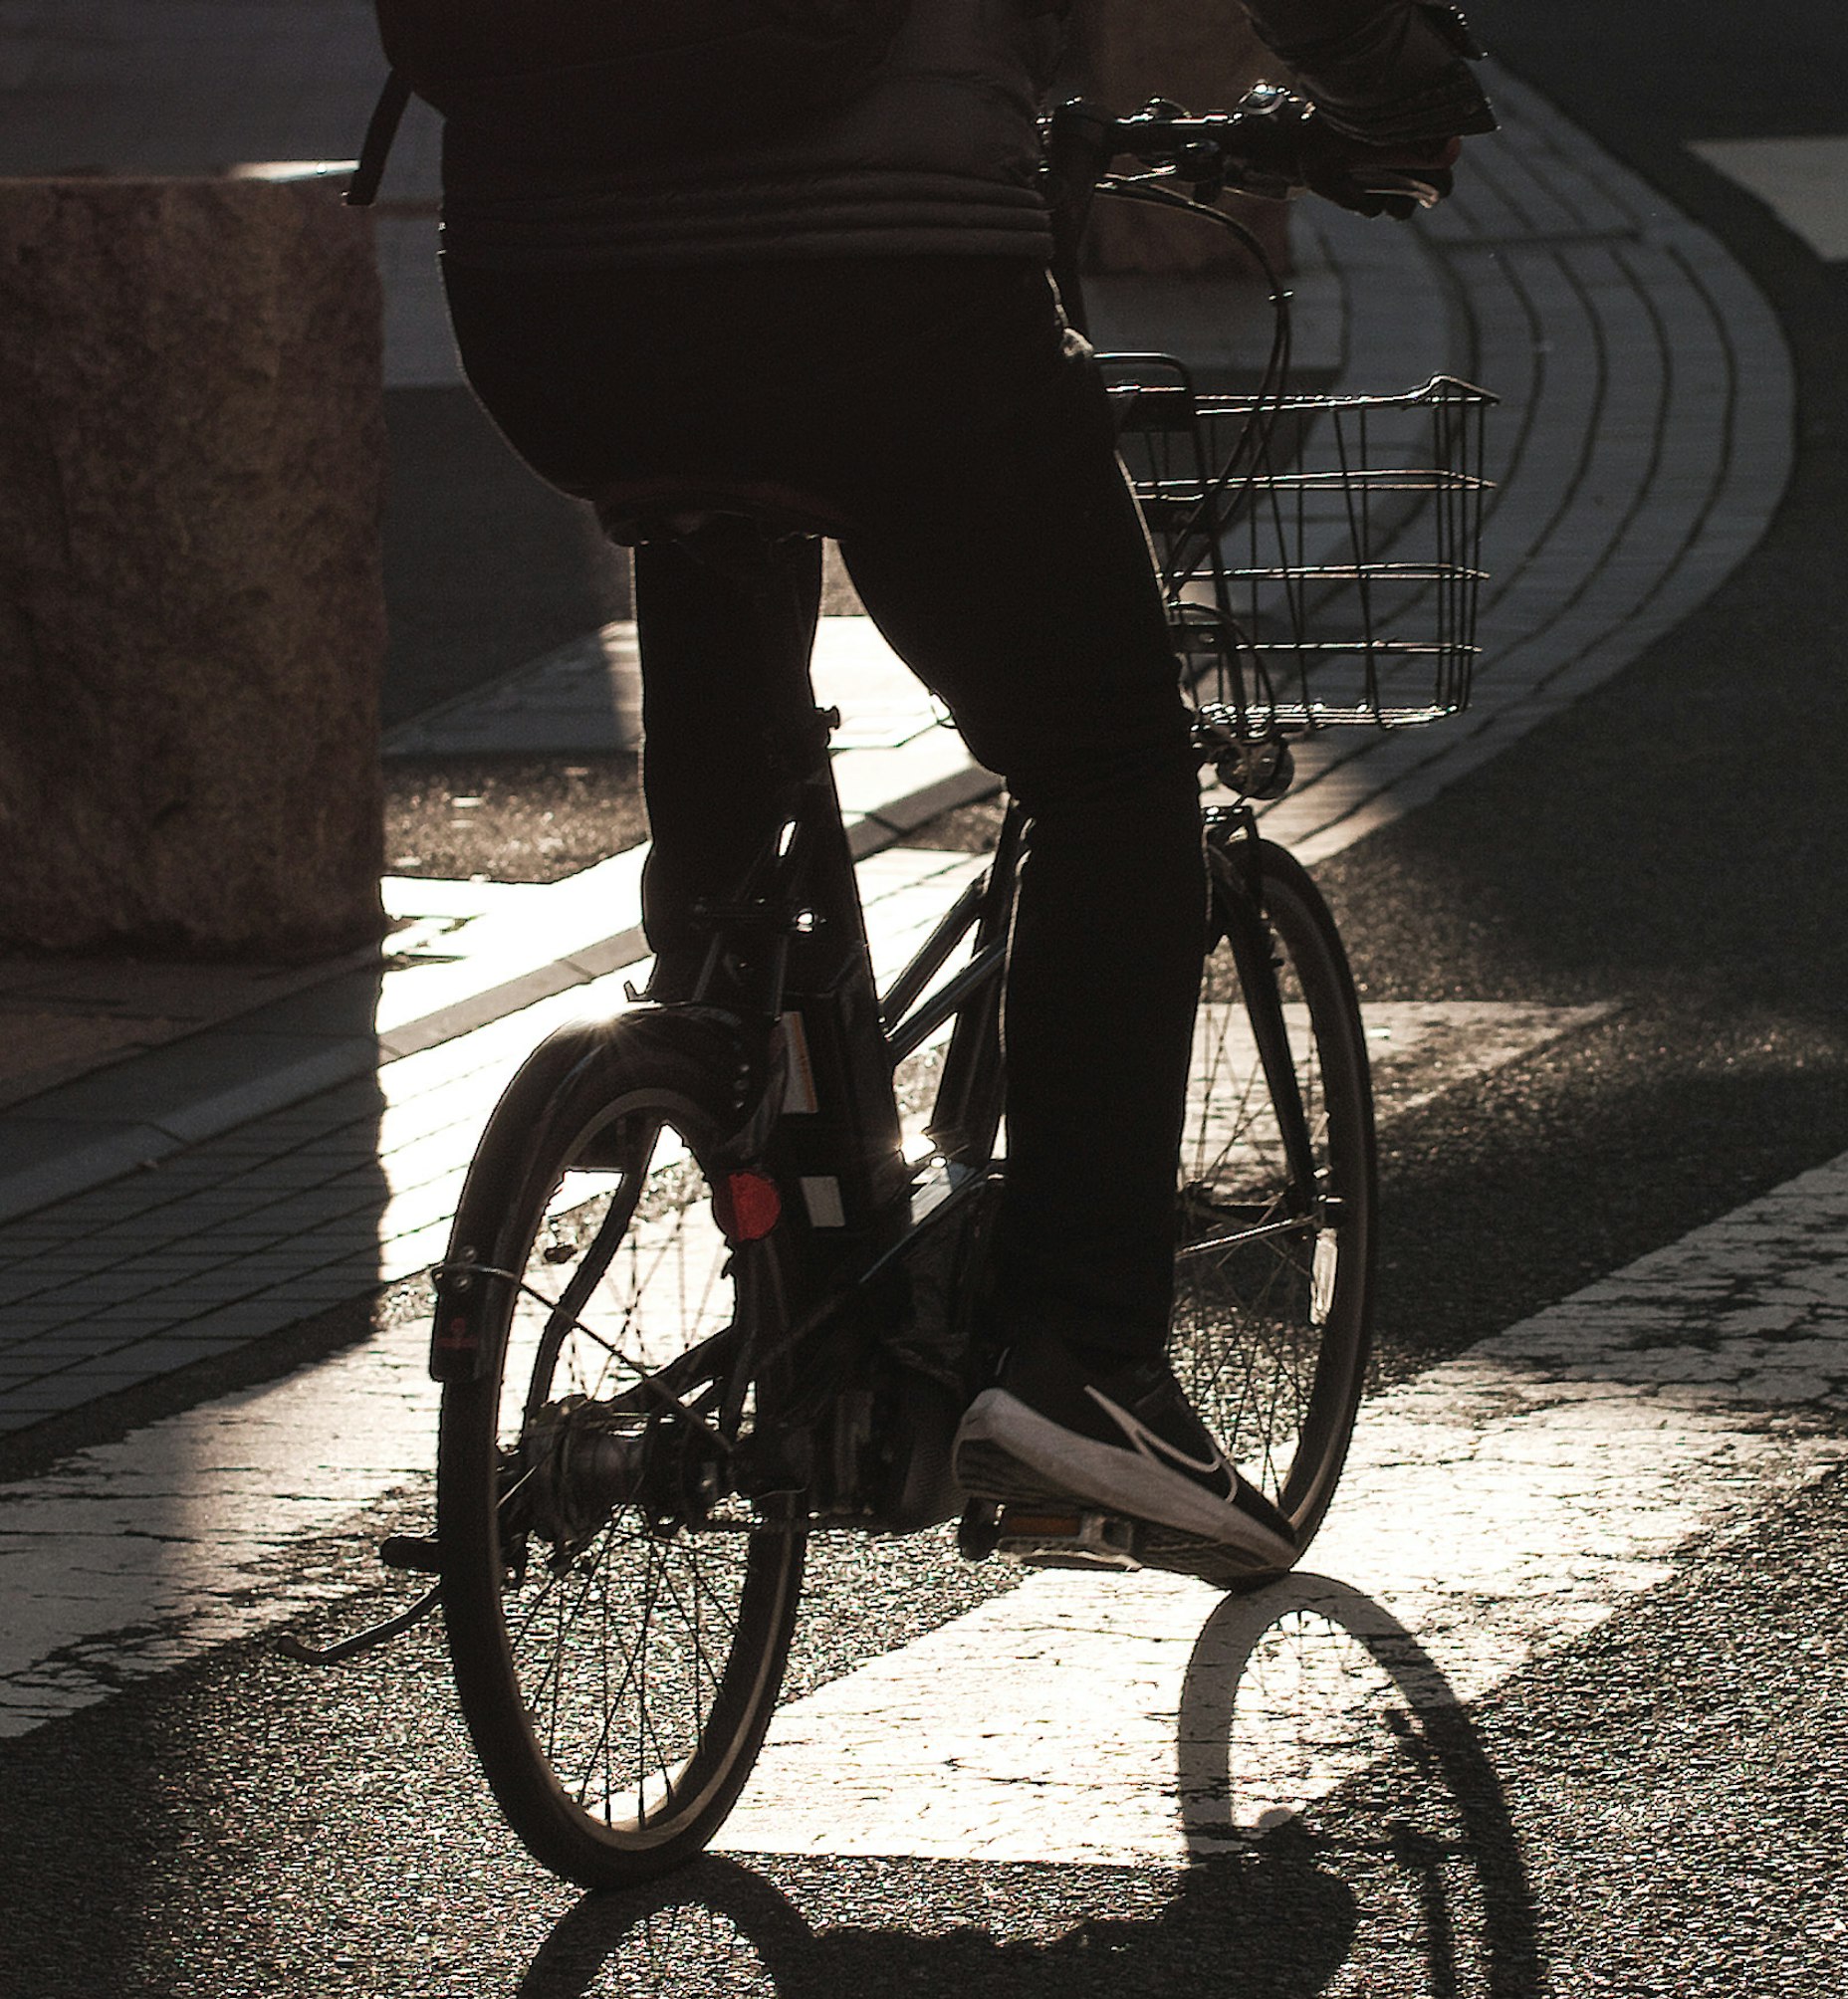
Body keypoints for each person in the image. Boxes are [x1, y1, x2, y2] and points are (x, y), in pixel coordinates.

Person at [437, 0, 1491, 1580]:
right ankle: (1084, 1358)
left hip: (544, 296)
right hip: (891, 286)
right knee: (1111, 765)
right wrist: (1406, 97)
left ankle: (712, 1030)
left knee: (709, 497)